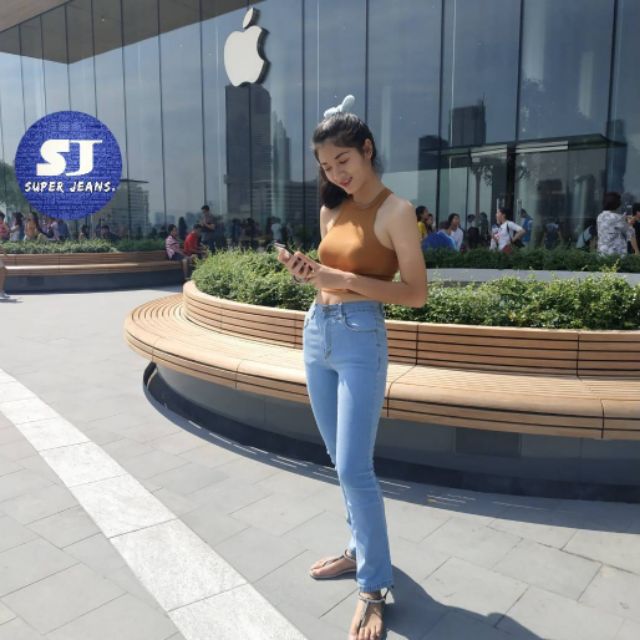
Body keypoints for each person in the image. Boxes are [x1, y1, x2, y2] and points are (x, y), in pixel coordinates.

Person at [276, 108, 427, 640]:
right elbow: (328, 278)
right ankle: (359, 549)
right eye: (325, 165)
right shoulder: (331, 208)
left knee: (355, 468)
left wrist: (341, 277)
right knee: (339, 460)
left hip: (362, 337)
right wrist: (310, 275)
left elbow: (416, 293)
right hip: (317, 330)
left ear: (367, 149)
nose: (335, 173)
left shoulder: (396, 211)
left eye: (342, 160)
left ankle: (373, 588)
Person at [597, 192, 639, 256]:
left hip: (602, 252)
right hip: (615, 254)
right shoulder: (617, 218)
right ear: (617, 204)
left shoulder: (600, 216)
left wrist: (623, 219)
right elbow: (630, 233)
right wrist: (630, 223)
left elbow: (612, 226)